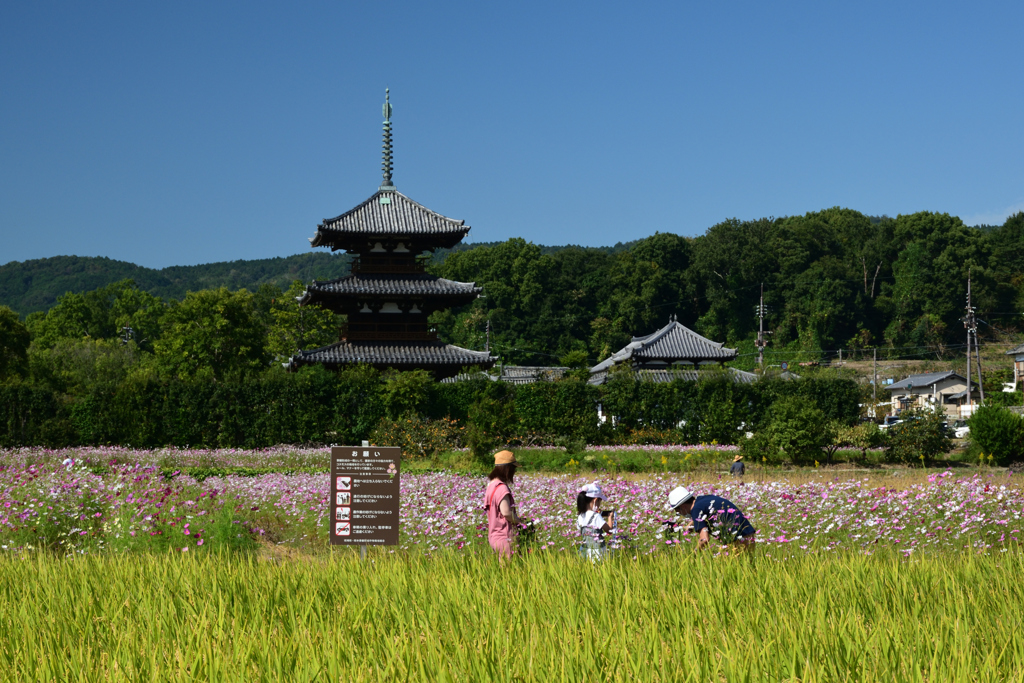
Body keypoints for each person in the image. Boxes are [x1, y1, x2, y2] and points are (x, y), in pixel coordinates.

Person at [667, 486, 756, 550]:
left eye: (678, 511)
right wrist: (692, 523)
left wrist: (695, 554)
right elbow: (704, 514)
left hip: (736, 540)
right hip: (748, 534)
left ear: (682, 507)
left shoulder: (696, 509)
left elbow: (704, 539)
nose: (680, 514)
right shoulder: (702, 500)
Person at [484, 450, 522, 558]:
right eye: (513, 469)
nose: (514, 472)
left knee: (503, 571)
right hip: (505, 537)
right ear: (508, 469)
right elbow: (506, 512)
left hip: (494, 536)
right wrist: (520, 522)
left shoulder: (491, 485)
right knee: (509, 572)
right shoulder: (502, 487)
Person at [576, 482, 615, 560]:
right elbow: (609, 530)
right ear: (595, 500)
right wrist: (609, 517)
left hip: (585, 549)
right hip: (597, 551)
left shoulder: (580, 515)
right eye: (599, 502)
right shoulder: (596, 516)